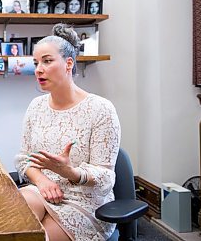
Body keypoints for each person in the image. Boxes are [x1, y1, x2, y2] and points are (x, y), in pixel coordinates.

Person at [14, 23, 121, 241]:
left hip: (86, 202)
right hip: (43, 190)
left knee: (37, 237)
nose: (38, 69)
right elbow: (24, 159)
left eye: (47, 61)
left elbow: (107, 177)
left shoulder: (101, 109)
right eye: (36, 63)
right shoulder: (35, 106)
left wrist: (69, 172)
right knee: (15, 226)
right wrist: (42, 180)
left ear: (68, 63)